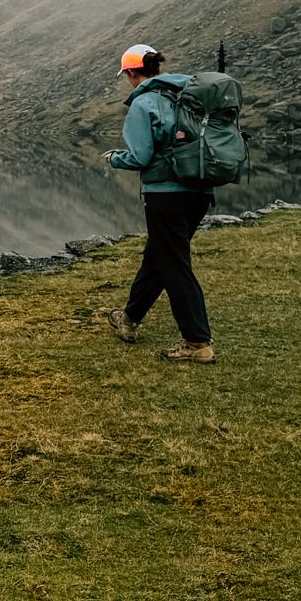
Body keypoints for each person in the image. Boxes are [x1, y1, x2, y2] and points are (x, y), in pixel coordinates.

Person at [103, 45, 215, 363]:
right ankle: (129, 319)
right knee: (159, 256)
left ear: (131, 73)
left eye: (126, 74)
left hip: (166, 194)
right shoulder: (187, 93)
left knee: (174, 264)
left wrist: (115, 159)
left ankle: (197, 343)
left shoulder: (144, 102)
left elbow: (140, 156)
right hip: (200, 190)